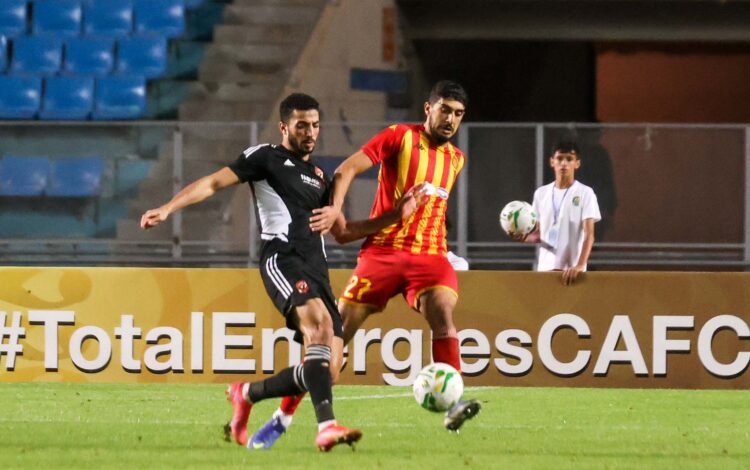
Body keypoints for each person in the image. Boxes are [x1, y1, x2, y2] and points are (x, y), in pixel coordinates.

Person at [139, 93, 423, 452]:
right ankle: (327, 427)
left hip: (318, 271)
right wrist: (167, 209)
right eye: (302, 125)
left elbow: (344, 232)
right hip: (283, 259)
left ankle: (247, 393)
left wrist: (395, 216)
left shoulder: (320, 177)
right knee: (319, 331)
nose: (310, 132)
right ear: (284, 126)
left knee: (327, 370)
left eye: (315, 125)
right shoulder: (265, 158)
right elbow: (212, 183)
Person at [247, 80, 481, 451]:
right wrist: (336, 209)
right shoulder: (399, 137)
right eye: (445, 110)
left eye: (457, 114)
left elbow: (435, 209)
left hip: (430, 256)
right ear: (428, 109)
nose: (450, 119)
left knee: (444, 315)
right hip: (383, 254)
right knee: (329, 349)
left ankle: (454, 400)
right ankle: (283, 417)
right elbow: (347, 169)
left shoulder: (456, 159)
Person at [521, 141, 601, 285]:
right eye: (559, 158)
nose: (564, 163)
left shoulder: (585, 193)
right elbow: (537, 234)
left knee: (570, 309)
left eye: (569, 159)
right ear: (552, 162)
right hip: (544, 270)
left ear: (577, 163)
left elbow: (589, 235)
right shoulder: (541, 193)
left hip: (572, 273)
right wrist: (521, 234)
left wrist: (580, 266)